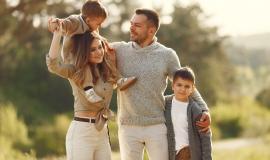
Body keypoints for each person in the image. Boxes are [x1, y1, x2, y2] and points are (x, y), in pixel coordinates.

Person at [51, 7, 211, 160]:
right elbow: (87, 46)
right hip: (127, 128)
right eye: (131, 24)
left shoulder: (167, 55)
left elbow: (185, 83)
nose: (132, 28)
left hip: (156, 126)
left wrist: (203, 109)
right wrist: (64, 26)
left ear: (151, 30)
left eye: (137, 25)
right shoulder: (117, 50)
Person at [48, 0, 136, 103]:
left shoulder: (91, 26)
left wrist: (105, 45)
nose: (99, 26)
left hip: (83, 54)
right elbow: (65, 24)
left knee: (106, 59)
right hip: (72, 57)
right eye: (98, 24)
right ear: (88, 20)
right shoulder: (75, 22)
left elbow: (95, 38)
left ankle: (119, 80)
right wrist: (57, 23)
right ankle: (89, 90)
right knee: (85, 66)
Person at [46, 29, 115, 159]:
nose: (98, 52)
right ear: (84, 52)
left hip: (102, 131)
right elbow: (53, 65)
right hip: (82, 132)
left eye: (100, 47)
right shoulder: (75, 71)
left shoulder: (106, 70)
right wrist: (57, 34)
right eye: (92, 50)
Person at [164, 67, 212, 160]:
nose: (182, 89)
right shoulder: (165, 103)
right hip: (172, 154)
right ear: (173, 86)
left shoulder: (195, 109)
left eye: (187, 86)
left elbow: (205, 136)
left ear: (192, 89)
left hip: (189, 153)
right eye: (179, 85)